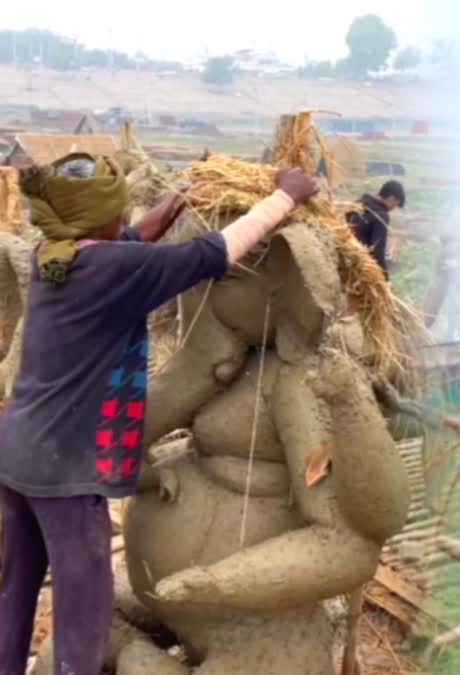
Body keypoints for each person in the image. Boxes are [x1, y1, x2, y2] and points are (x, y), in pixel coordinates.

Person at [0, 152, 318, 675]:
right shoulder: (114, 269)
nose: (125, 219)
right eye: (117, 211)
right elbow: (213, 253)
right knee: (86, 613)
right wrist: (285, 195)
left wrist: (175, 203)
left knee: (16, 589)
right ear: (98, 218)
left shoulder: (53, 254)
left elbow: (128, 240)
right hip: (66, 473)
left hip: (18, 455)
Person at [347, 179, 405, 278]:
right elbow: (377, 250)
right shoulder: (381, 215)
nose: (394, 208)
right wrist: (385, 279)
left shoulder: (360, 202)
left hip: (347, 257)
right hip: (360, 267)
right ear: (391, 198)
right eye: (396, 204)